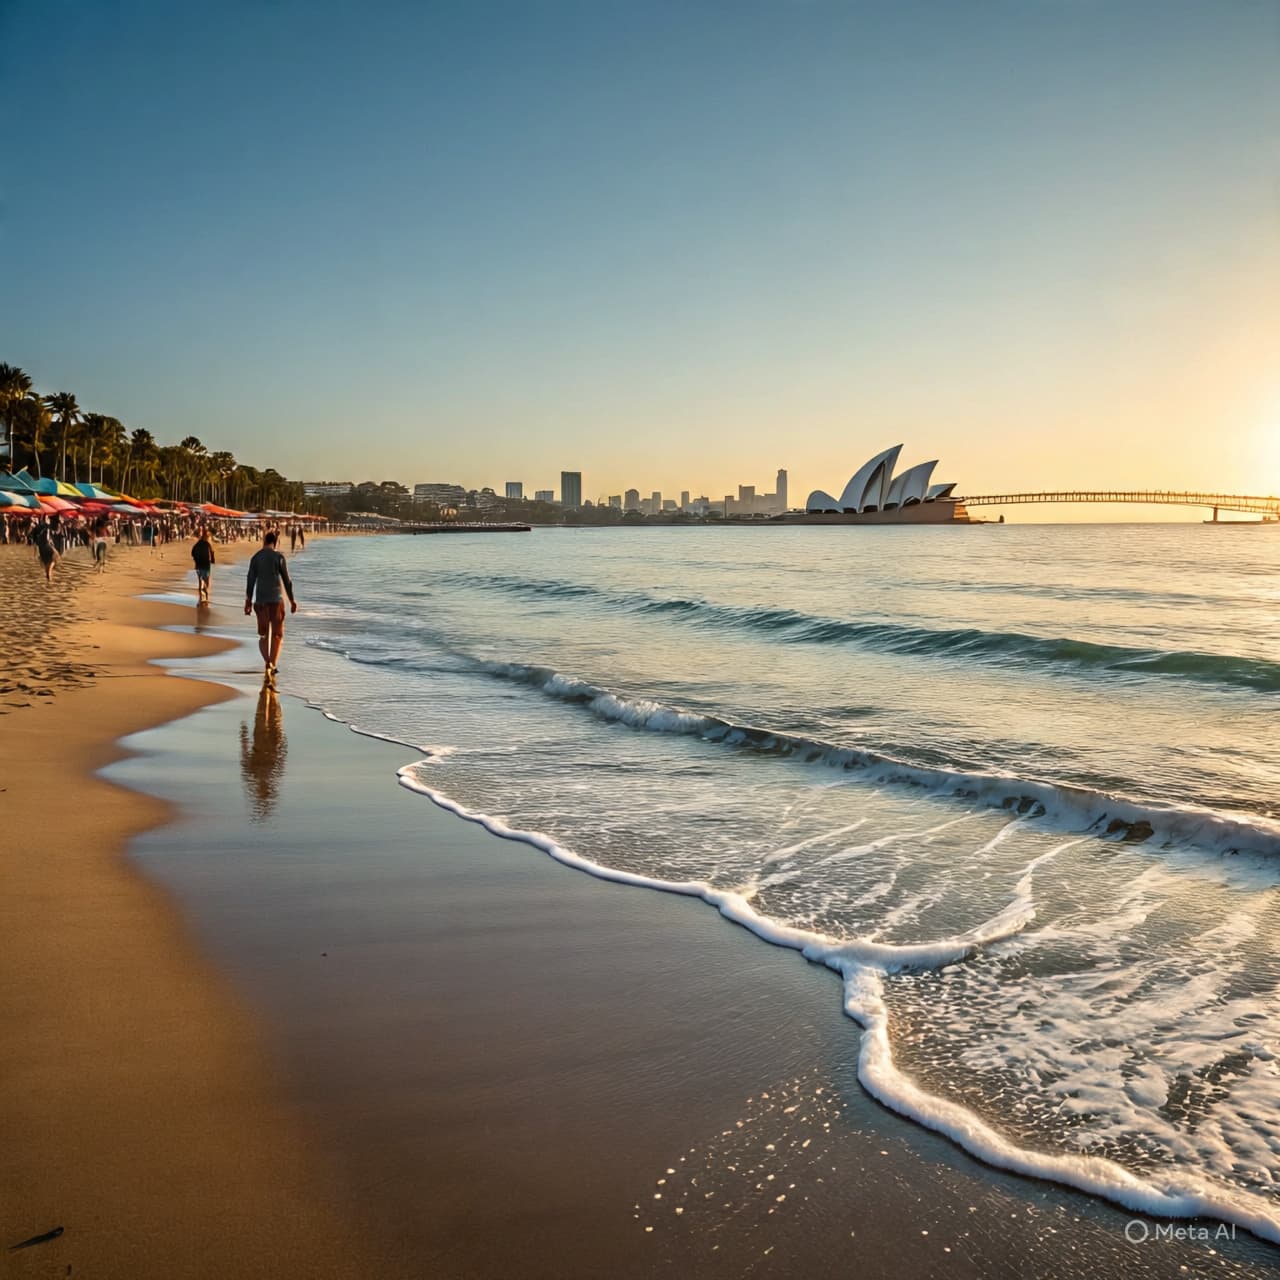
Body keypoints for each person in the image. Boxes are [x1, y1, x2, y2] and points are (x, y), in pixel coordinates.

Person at [244, 530, 297, 686]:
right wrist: (292, 600)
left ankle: (267, 662)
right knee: (277, 635)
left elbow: (250, 580)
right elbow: (287, 581)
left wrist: (248, 600)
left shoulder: (255, 558)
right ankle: (272, 664)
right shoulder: (278, 558)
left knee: (263, 635)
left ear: (264, 541)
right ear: (276, 542)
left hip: (260, 601)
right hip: (276, 600)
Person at [191, 527, 216, 603]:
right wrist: (212, 560)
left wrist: (195, 559)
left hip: (198, 565)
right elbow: (212, 552)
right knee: (206, 579)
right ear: (206, 537)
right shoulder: (207, 544)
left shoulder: (197, 544)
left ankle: (201, 597)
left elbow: (192, 553)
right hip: (206, 564)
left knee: (200, 580)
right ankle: (205, 593)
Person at [33, 518, 58, 583]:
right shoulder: (47, 528)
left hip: (41, 550)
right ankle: (50, 579)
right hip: (47, 547)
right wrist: (52, 546)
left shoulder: (36, 529)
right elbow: (48, 539)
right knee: (54, 560)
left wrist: (35, 554)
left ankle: (48, 580)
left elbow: (35, 543)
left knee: (46, 565)